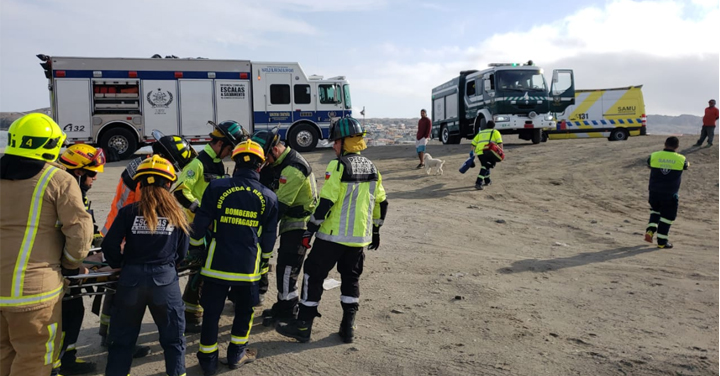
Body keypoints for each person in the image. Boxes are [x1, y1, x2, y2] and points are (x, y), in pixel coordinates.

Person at [276, 117, 388, 344]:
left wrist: (311, 228)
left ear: (346, 142)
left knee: (312, 276)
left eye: (336, 142)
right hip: (358, 240)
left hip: (332, 237)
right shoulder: (373, 168)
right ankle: (348, 328)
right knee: (351, 279)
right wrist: (375, 230)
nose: (334, 146)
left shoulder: (338, 165)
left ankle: (304, 326)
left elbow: (326, 201)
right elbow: (381, 202)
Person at [0, 113, 93, 376]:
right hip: (34, 294)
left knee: (3, 353)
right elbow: (80, 232)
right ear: (50, 145)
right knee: (34, 358)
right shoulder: (58, 179)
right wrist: (71, 265)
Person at [97, 132, 196, 354]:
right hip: (127, 236)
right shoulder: (151, 174)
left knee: (114, 288)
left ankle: (108, 334)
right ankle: (117, 338)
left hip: (115, 229)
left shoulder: (138, 165)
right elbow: (148, 213)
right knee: (123, 292)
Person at [191, 140, 278, 375]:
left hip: (216, 265)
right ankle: (237, 354)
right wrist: (263, 265)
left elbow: (199, 226)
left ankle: (207, 360)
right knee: (244, 311)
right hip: (247, 267)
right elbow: (269, 237)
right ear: (259, 166)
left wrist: (197, 249)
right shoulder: (269, 196)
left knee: (211, 311)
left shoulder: (217, 187)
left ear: (235, 162)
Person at [173, 120, 248, 333]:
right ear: (221, 143)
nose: (231, 153)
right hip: (195, 228)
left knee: (203, 270)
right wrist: (200, 210)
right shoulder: (199, 163)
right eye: (231, 148)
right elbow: (180, 191)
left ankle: (193, 313)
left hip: (210, 228)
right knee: (198, 270)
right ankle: (191, 316)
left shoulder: (217, 162)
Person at [252, 128, 318, 326]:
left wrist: (257, 229)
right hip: (291, 222)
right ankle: (283, 304)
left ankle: (289, 309)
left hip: (300, 223)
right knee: (284, 266)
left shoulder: (294, 169)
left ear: (275, 150)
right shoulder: (280, 163)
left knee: (289, 267)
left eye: (266, 158)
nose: (265, 163)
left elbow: (278, 208)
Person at [54, 144, 107, 375]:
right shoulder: (68, 196)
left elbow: (90, 231)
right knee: (69, 315)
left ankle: (66, 359)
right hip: (62, 270)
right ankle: (62, 364)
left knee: (73, 314)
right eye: (92, 173)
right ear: (79, 172)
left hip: (64, 268)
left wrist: (104, 243)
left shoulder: (72, 193)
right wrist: (77, 266)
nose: (94, 179)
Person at [644, 137, 689, 249]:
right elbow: (686, 166)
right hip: (669, 193)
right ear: (677, 146)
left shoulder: (654, 155)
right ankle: (662, 242)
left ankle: (650, 230)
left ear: (665, 144)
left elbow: (649, 164)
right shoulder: (681, 158)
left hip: (654, 191)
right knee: (667, 217)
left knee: (655, 211)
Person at [470, 120, 503, 190]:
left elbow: (473, 143)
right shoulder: (495, 132)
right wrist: (501, 152)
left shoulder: (480, 132)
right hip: (489, 152)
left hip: (479, 152)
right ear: (494, 126)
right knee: (486, 166)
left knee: (486, 165)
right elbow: (500, 143)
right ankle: (478, 183)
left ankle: (487, 180)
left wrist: (471, 152)